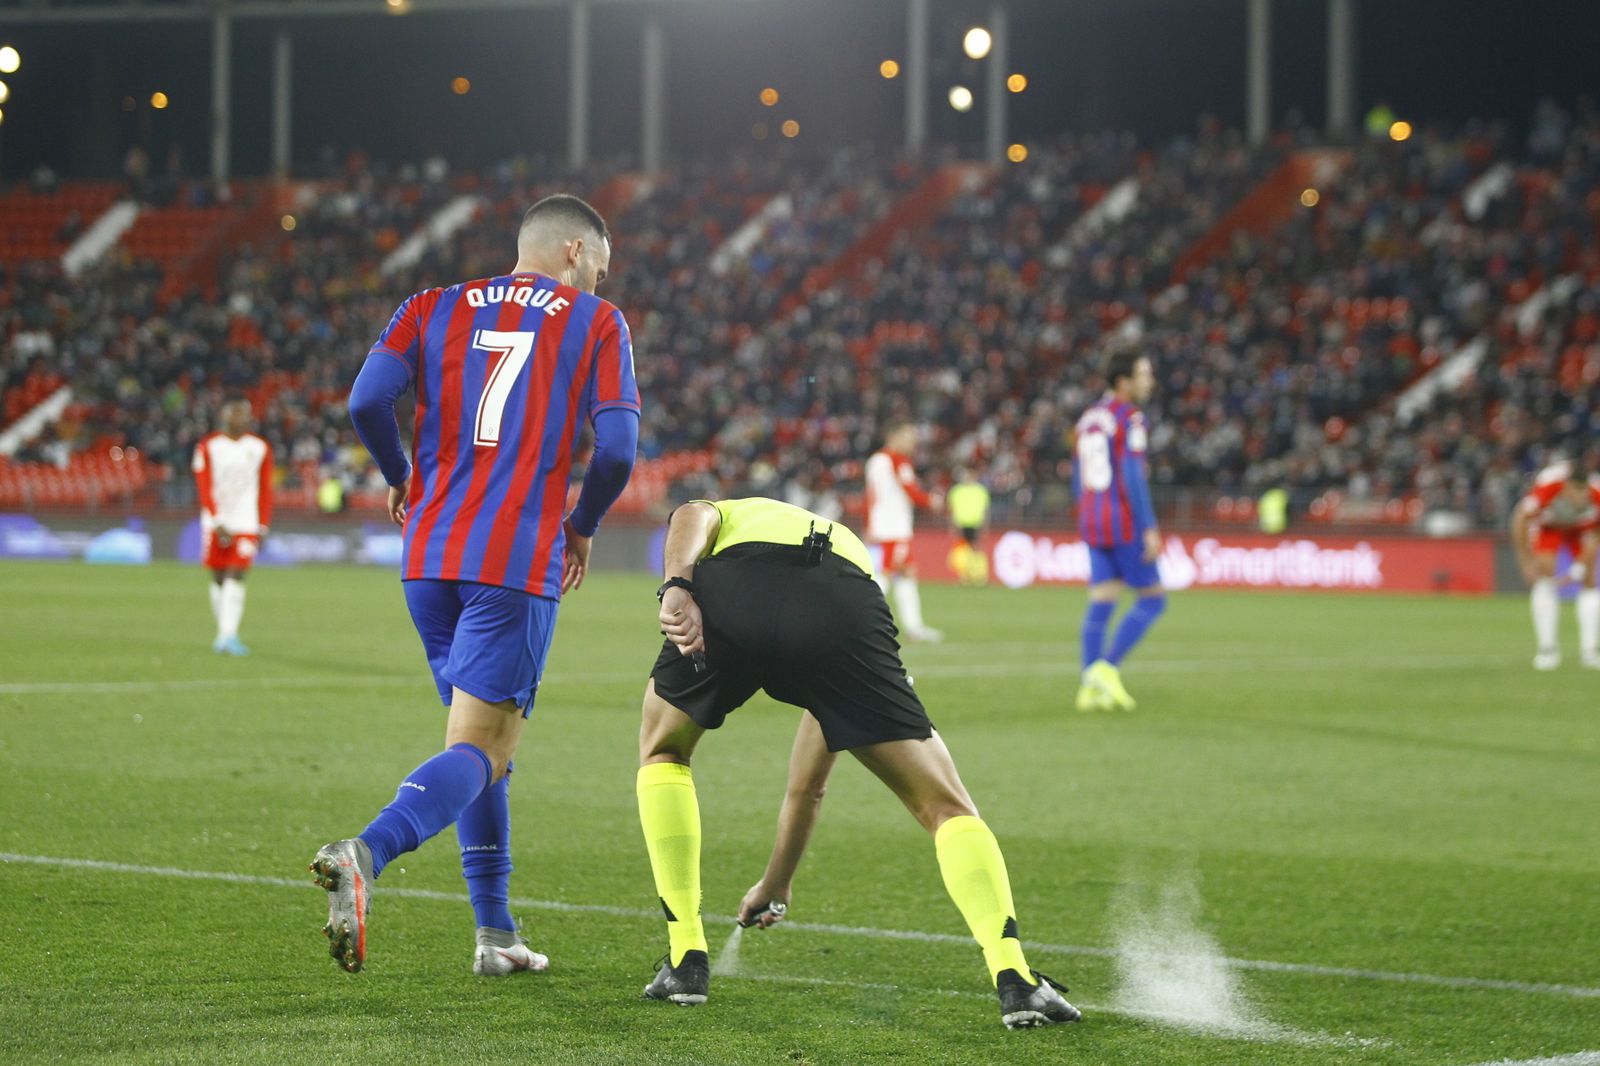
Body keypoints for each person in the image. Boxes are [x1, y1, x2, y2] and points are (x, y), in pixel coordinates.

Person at [310, 194, 640, 976]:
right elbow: (619, 450)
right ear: (571, 251)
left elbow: (365, 400)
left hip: (428, 556)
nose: (598, 278)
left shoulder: (431, 305)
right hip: (514, 561)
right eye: (598, 263)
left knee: (479, 749)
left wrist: (402, 475)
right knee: (484, 747)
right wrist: (581, 523)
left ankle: (495, 935)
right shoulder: (596, 321)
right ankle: (366, 852)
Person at [634, 497, 1080, 1029]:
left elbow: (690, 513)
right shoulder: (842, 544)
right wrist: (776, 884)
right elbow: (809, 788)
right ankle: (1015, 979)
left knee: (665, 751)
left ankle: (686, 959)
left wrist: (678, 585)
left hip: (735, 589)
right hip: (843, 607)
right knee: (944, 806)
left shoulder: (739, 513)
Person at [1073, 350, 1166, 712]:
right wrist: (1149, 526)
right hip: (1123, 521)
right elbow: (1132, 475)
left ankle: (1088, 686)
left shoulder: (1088, 418)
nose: (1149, 380)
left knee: (1102, 599)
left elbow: (1077, 475)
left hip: (1092, 518)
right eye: (1144, 374)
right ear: (1124, 381)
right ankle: (1107, 668)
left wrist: (1084, 511)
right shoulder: (1131, 418)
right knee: (1153, 598)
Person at [192, 395, 273, 656]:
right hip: (216, 522)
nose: (240, 418)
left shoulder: (259, 448)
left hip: (246, 522)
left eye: (244, 413)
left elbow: (265, 489)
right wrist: (216, 520)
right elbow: (204, 487)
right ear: (223, 415)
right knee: (217, 578)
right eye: (235, 412)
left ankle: (228, 636)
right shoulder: (208, 446)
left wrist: (262, 525)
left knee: (236, 574)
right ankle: (224, 634)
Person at [1509, 462, 1600, 670]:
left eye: (1582, 493)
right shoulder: (1547, 489)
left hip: (1581, 530)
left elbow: (1596, 534)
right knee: (1545, 574)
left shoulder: (1596, 495)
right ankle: (1547, 649)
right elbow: (1519, 520)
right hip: (1549, 527)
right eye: (1574, 493)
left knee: (1589, 581)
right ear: (1565, 486)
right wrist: (1526, 562)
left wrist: (1581, 565)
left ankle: (1590, 651)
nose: (1579, 499)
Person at [865, 423, 943, 642]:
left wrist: (870, 523)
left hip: (881, 526)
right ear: (894, 436)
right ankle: (863, 620)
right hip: (893, 528)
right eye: (909, 437)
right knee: (885, 576)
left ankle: (914, 626)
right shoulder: (897, 460)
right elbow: (910, 489)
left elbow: (870, 496)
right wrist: (931, 500)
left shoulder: (875, 460)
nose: (913, 442)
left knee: (905, 574)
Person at [947, 467, 992, 586]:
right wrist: (952, 524)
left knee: (977, 549)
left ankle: (980, 576)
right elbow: (952, 509)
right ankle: (965, 576)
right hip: (961, 523)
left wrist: (985, 524)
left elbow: (985, 509)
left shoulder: (980, 490)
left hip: (976, 523)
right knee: (963, 550)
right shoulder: (956, 490)